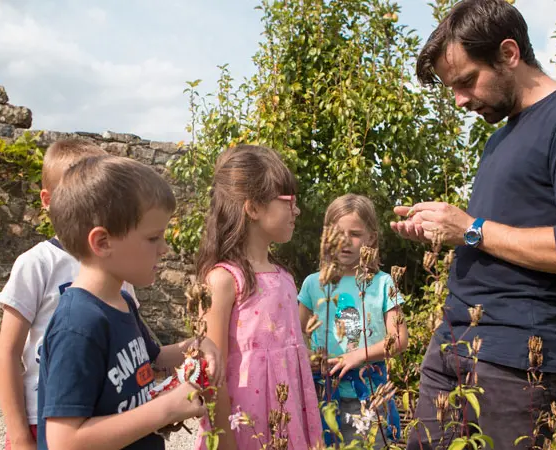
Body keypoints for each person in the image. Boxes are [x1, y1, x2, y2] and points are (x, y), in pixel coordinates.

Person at [391, 0, 556, 448]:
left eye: (465, 81)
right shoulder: (500, 138)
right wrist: (444, 229)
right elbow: (492, 235)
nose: (460, 100)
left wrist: (470, 228)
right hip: (454, 346)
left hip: (519, 363)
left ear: (509, 53)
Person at [36, 155, 222, 450]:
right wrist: (164, 410)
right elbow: (64, 441)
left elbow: (155, 358)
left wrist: (197, 345)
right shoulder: (79, 324)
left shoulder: (122, 301)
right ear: (102, 243)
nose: (164, 249)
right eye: (153, 238)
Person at [0, 139, 139, 450]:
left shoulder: (118, 263)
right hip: (41, 415)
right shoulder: (36, 264)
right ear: (47, 200)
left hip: (102, 415)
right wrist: (19, 437)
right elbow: (8, 354)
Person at [193, 145, 323, 450]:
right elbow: (213, 373)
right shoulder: (223, 280)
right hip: (244, 430)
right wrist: (223, 441)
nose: (297, 210)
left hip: (285, 422)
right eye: (289, 201)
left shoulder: (285, 277)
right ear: (252, 208)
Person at [298, 194, 408, 446]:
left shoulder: (382, 283)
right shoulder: (313, 284)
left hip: (370, 397)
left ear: (371, 237)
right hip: (322, 396)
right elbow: (295, 335)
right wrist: (309, 357)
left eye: (355, 234)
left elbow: (400, 339)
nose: (345, 241)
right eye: (337, 233)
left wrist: (357, 356)